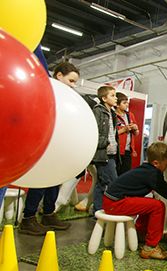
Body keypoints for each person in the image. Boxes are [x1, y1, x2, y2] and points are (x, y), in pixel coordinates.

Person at [103, 142, 167, 260]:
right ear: (156, 163)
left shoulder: (147, 170)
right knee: (158, 206)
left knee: (150, 203)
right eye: (166, 164)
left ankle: (141, 233)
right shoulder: (153, 174)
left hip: (111, 200)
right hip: (114, 203)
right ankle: (150, 247)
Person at [19, 62, 80, 235]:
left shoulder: (67, 98)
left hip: (57, 145)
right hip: (43, 145)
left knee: (54, 181)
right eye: (71, 80)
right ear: (59, 76)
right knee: (42, 182)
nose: (73, 85)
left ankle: (48, 214)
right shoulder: (44, 93)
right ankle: (28, 218)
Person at [92, 85, 119, 214]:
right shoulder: (98, 111)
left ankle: (97, 210)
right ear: (104, 98)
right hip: (103, 153)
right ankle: (107, 210)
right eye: (112, 95)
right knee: (112, 182)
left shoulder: (112, 113)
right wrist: (106, 143)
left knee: (101, 183)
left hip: (111, 153)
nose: (116, 98)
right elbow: (94, 132)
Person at [115, 92, 139, 175]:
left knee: (125, 176)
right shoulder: (112, 116)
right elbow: (110, 134)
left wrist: (135, 129)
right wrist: (124, 129)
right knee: (114, 176)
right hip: (116, 151)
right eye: (124, 103)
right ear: (117, 105)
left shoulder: (130, 115)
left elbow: (136, 133)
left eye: (127, 102)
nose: (127, 104)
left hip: (127, 151)